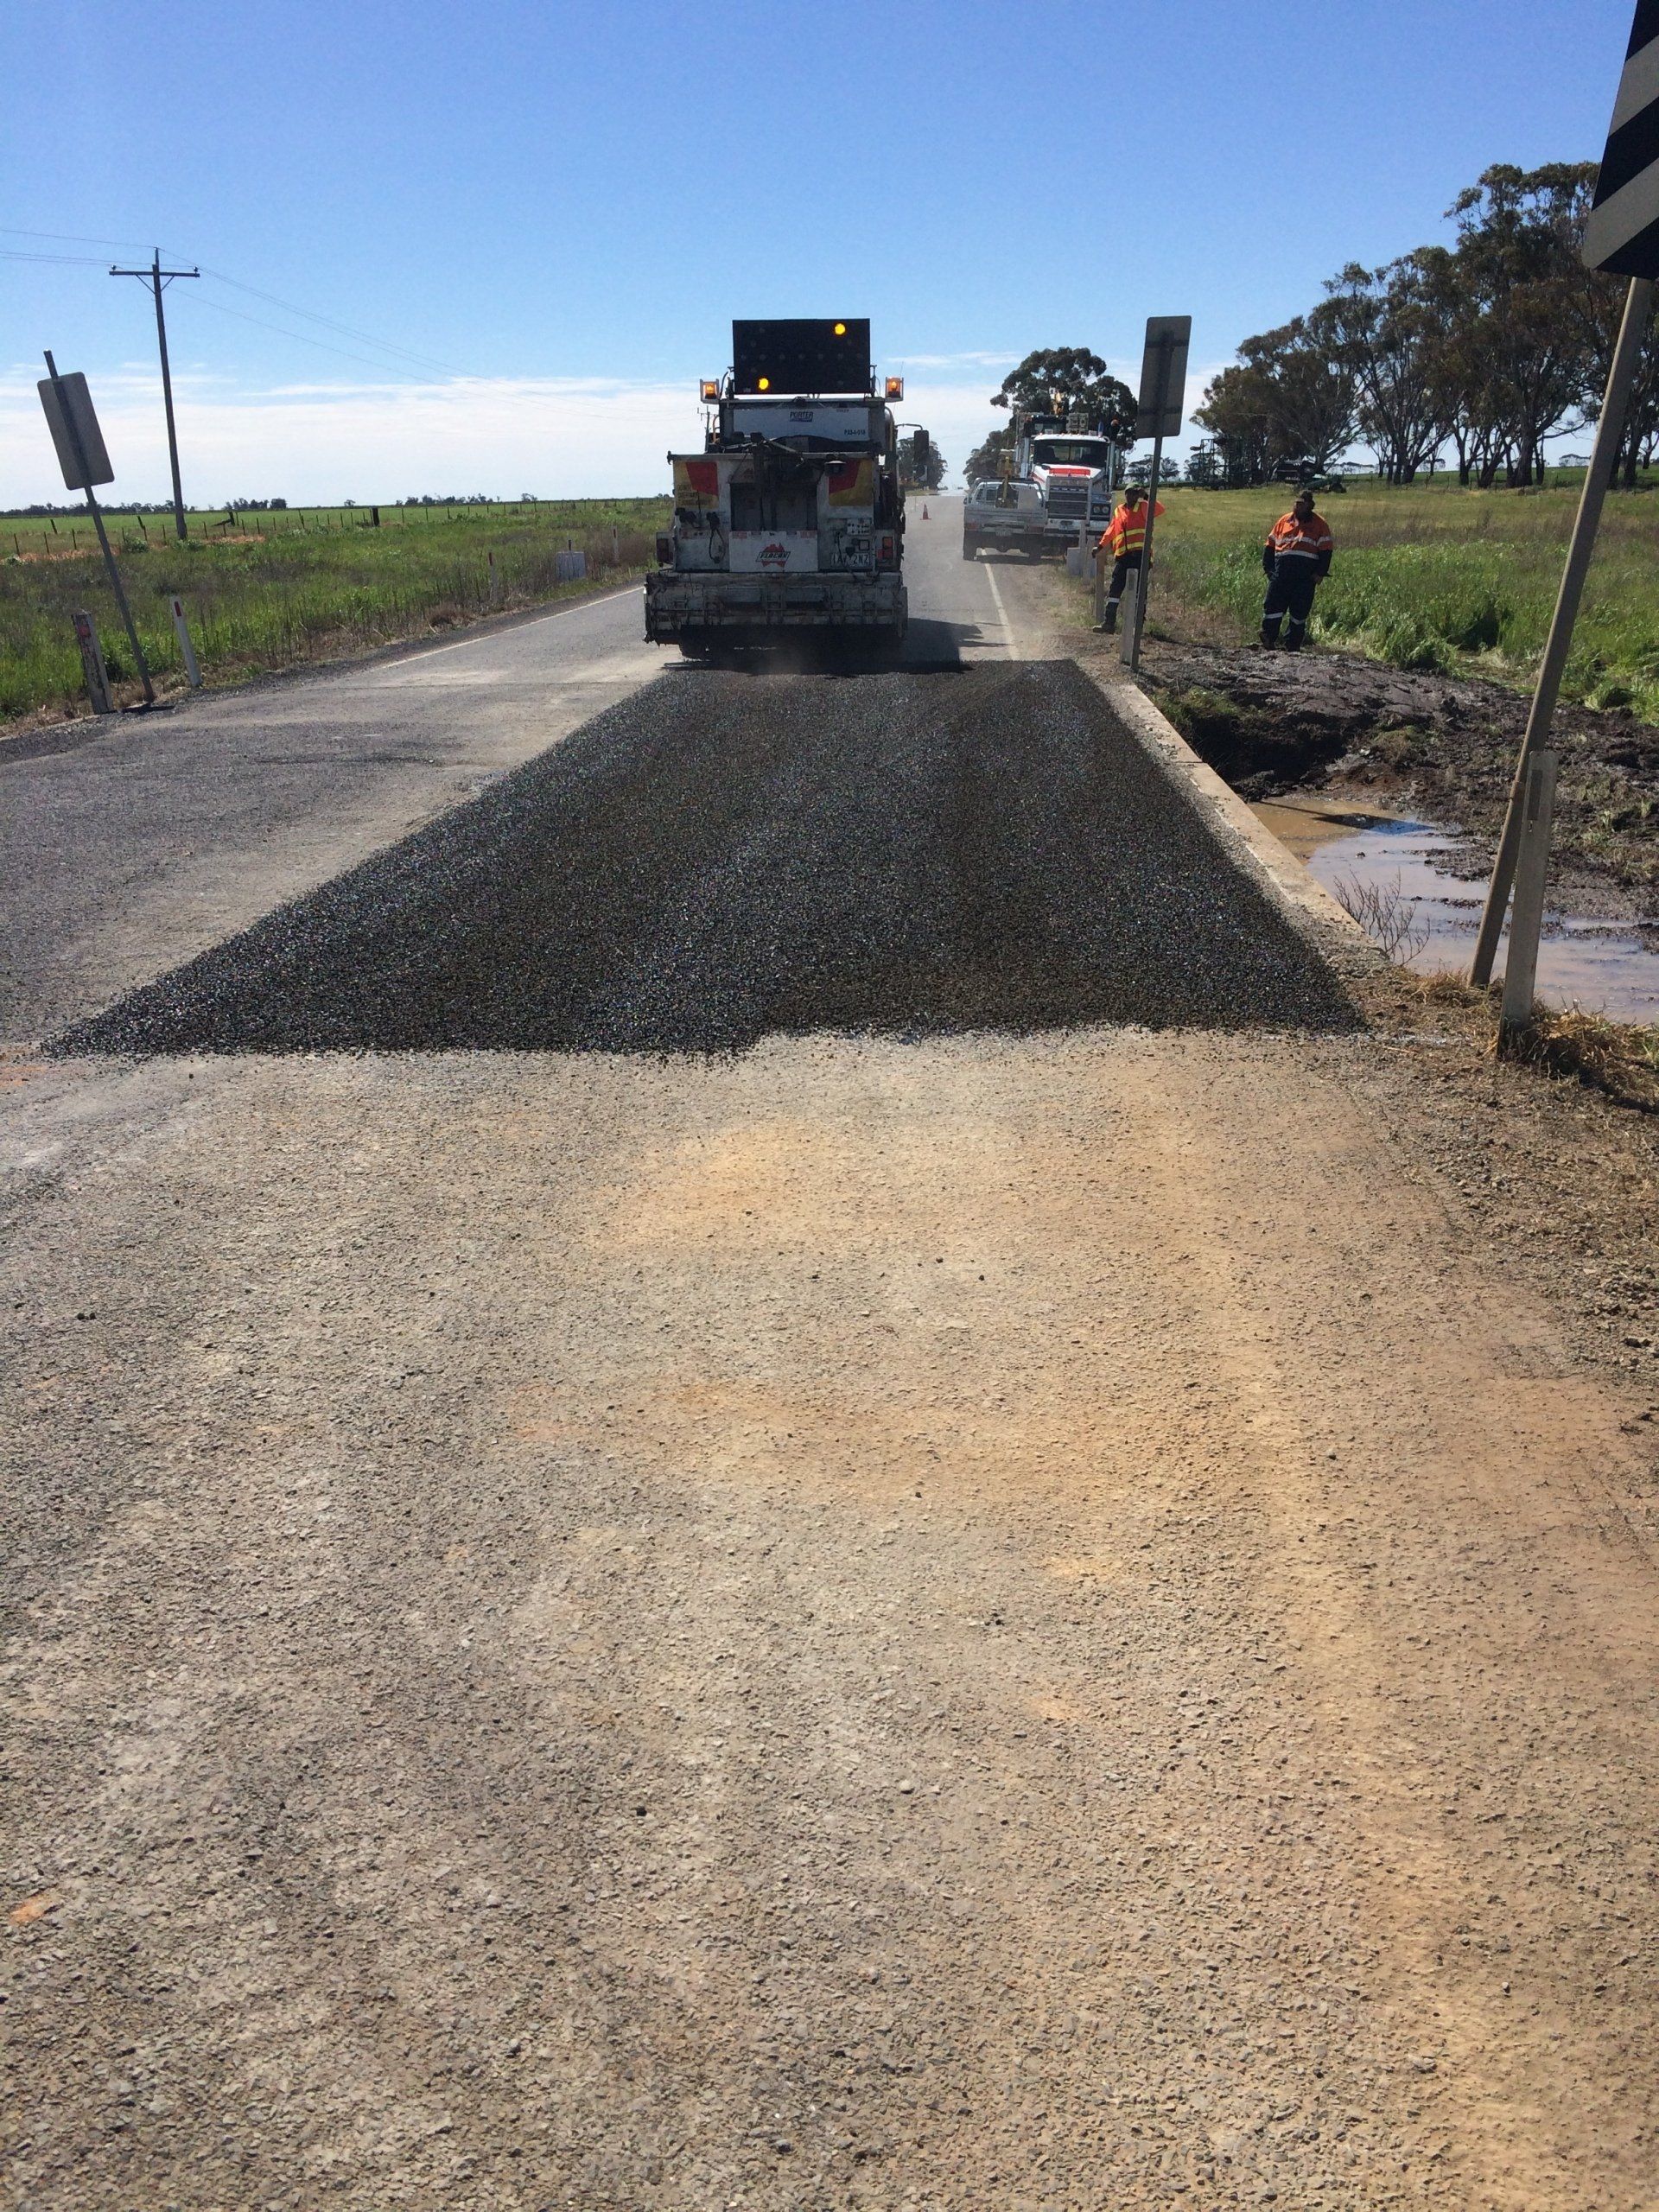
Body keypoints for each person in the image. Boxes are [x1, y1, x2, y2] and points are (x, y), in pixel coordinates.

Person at [1260, 488, 1334, 651]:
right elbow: (1270, 545)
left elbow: (1326, 550)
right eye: (1297, 504)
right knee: (1273, 606)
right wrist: (1269, 569)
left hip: (1305, 577)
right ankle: (1268, 637)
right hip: (1281, 574)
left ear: (1310, 506)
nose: (1298, 507)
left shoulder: (1320, 524)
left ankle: (1292, 645)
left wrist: (1320, 573)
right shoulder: (1284, 521)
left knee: (1299, 611)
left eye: (1302, 504)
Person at [1093, 485, 1165, 634]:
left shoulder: (1144, 507)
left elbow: (1159, 509)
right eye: (1129, 493)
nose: (1131, 496)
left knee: (1140, 593)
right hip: (1122, 557)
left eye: (1134, 493)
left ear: (1138, 494)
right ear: (1125, 494)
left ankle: (1136, 627)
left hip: (1140, 556)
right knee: (1114, 591)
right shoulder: (1119, 510)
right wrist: (1100, 547)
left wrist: (1145, 496)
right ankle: (1109, 623)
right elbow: (1111, 530)